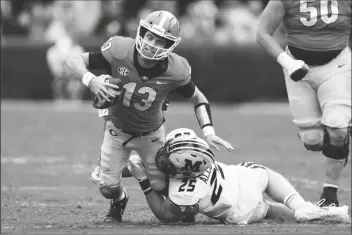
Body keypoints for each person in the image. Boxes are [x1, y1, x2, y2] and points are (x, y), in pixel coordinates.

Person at [65, 10, 234, 223]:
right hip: (116, 131)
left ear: (170, 45)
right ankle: (119, 200)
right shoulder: (119, 50)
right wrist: (91, 80)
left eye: (160, 41)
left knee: (161, 186)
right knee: (108, 188)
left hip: (151, 135)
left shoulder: (176, 69)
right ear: (141, 32)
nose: (151, 44)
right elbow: (73, 61)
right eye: (150, 36)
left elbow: (198, 98)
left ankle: (147, 172)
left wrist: (208, 132)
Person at [121, 128, 350, 224]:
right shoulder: (200, 158)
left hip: (237, 211)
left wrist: (143, 181)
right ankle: (301, 207)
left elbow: (166, 216)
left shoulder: (181, 185)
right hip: (243, 177)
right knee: (265, 174)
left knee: (266, 210)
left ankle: (302, 211)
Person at [256, 0, 351, 207]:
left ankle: (330, 193)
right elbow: (262, 33)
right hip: (298, 67)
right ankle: (340, 134)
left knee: (337, 128)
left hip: (338, 64)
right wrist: (287, 62)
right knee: (312, 140)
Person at [46, 35, 86, 103]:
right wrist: (63, 72)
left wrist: (70, 74)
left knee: (75, 86)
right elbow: (56, 73)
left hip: (75, 79)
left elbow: (80, 73)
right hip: (60, 80)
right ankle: (59, 104)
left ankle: (76, 105)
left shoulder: (79, 50)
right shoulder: (51, 53)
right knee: (58, 85)